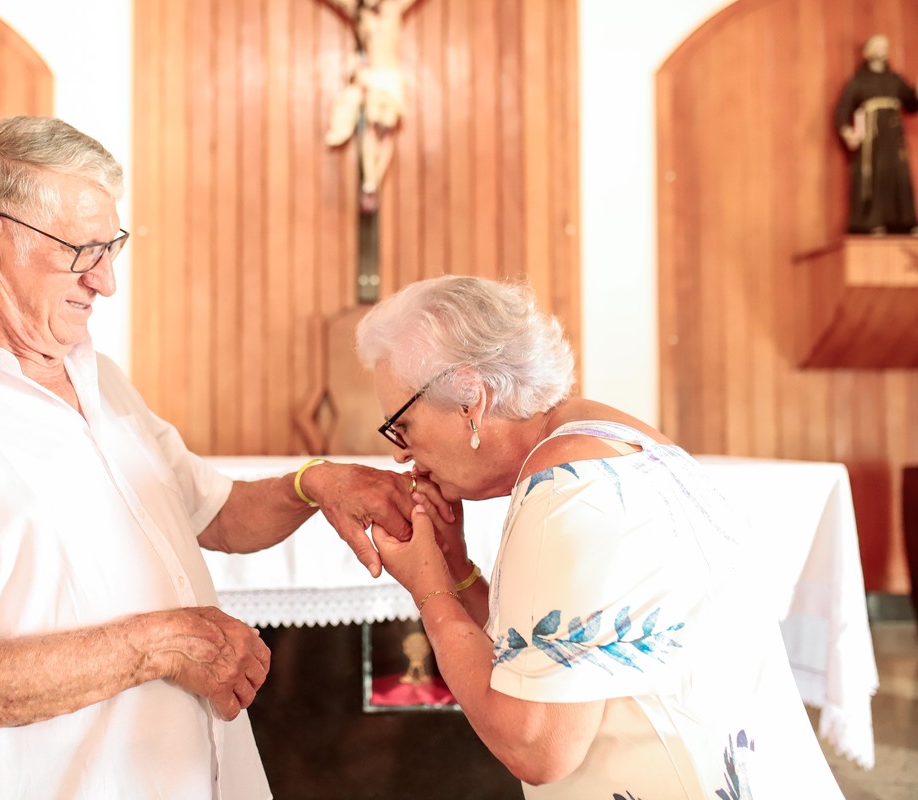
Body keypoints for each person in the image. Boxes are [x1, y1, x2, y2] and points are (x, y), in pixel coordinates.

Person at [0, 113, 430, 799]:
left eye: (111, 247)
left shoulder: (100, 378)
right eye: (82, 250)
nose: (107, 282)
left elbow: (218, 514)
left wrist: (313, 484)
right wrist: (160, 644)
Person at [355, 275, 846, 798]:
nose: (400, 455)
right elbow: (540, 663)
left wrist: (428, 590)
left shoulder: (564, 493)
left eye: (400, 426)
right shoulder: (605, 443)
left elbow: (537, 747)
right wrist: (454, 570)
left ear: (470, 400)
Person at [324, 0, 419, 211]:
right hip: (374, 75)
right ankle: (369, 183)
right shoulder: (358, 11)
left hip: (391, 76)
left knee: (386, 130)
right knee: (373, 125)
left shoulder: (394, 7)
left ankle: (373, 182)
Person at [834, 33, 918, 235]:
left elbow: (911, 104)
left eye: (885, 45)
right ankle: (871, 222)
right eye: (877, 45)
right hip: (871, 138)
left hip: (893, 135)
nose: (882, 48)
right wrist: (847, 132)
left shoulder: (895, 79)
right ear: (866, 52)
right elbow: (842, 109)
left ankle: (904, 222)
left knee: (898, 175)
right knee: (874, 175)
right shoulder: (858, 81)